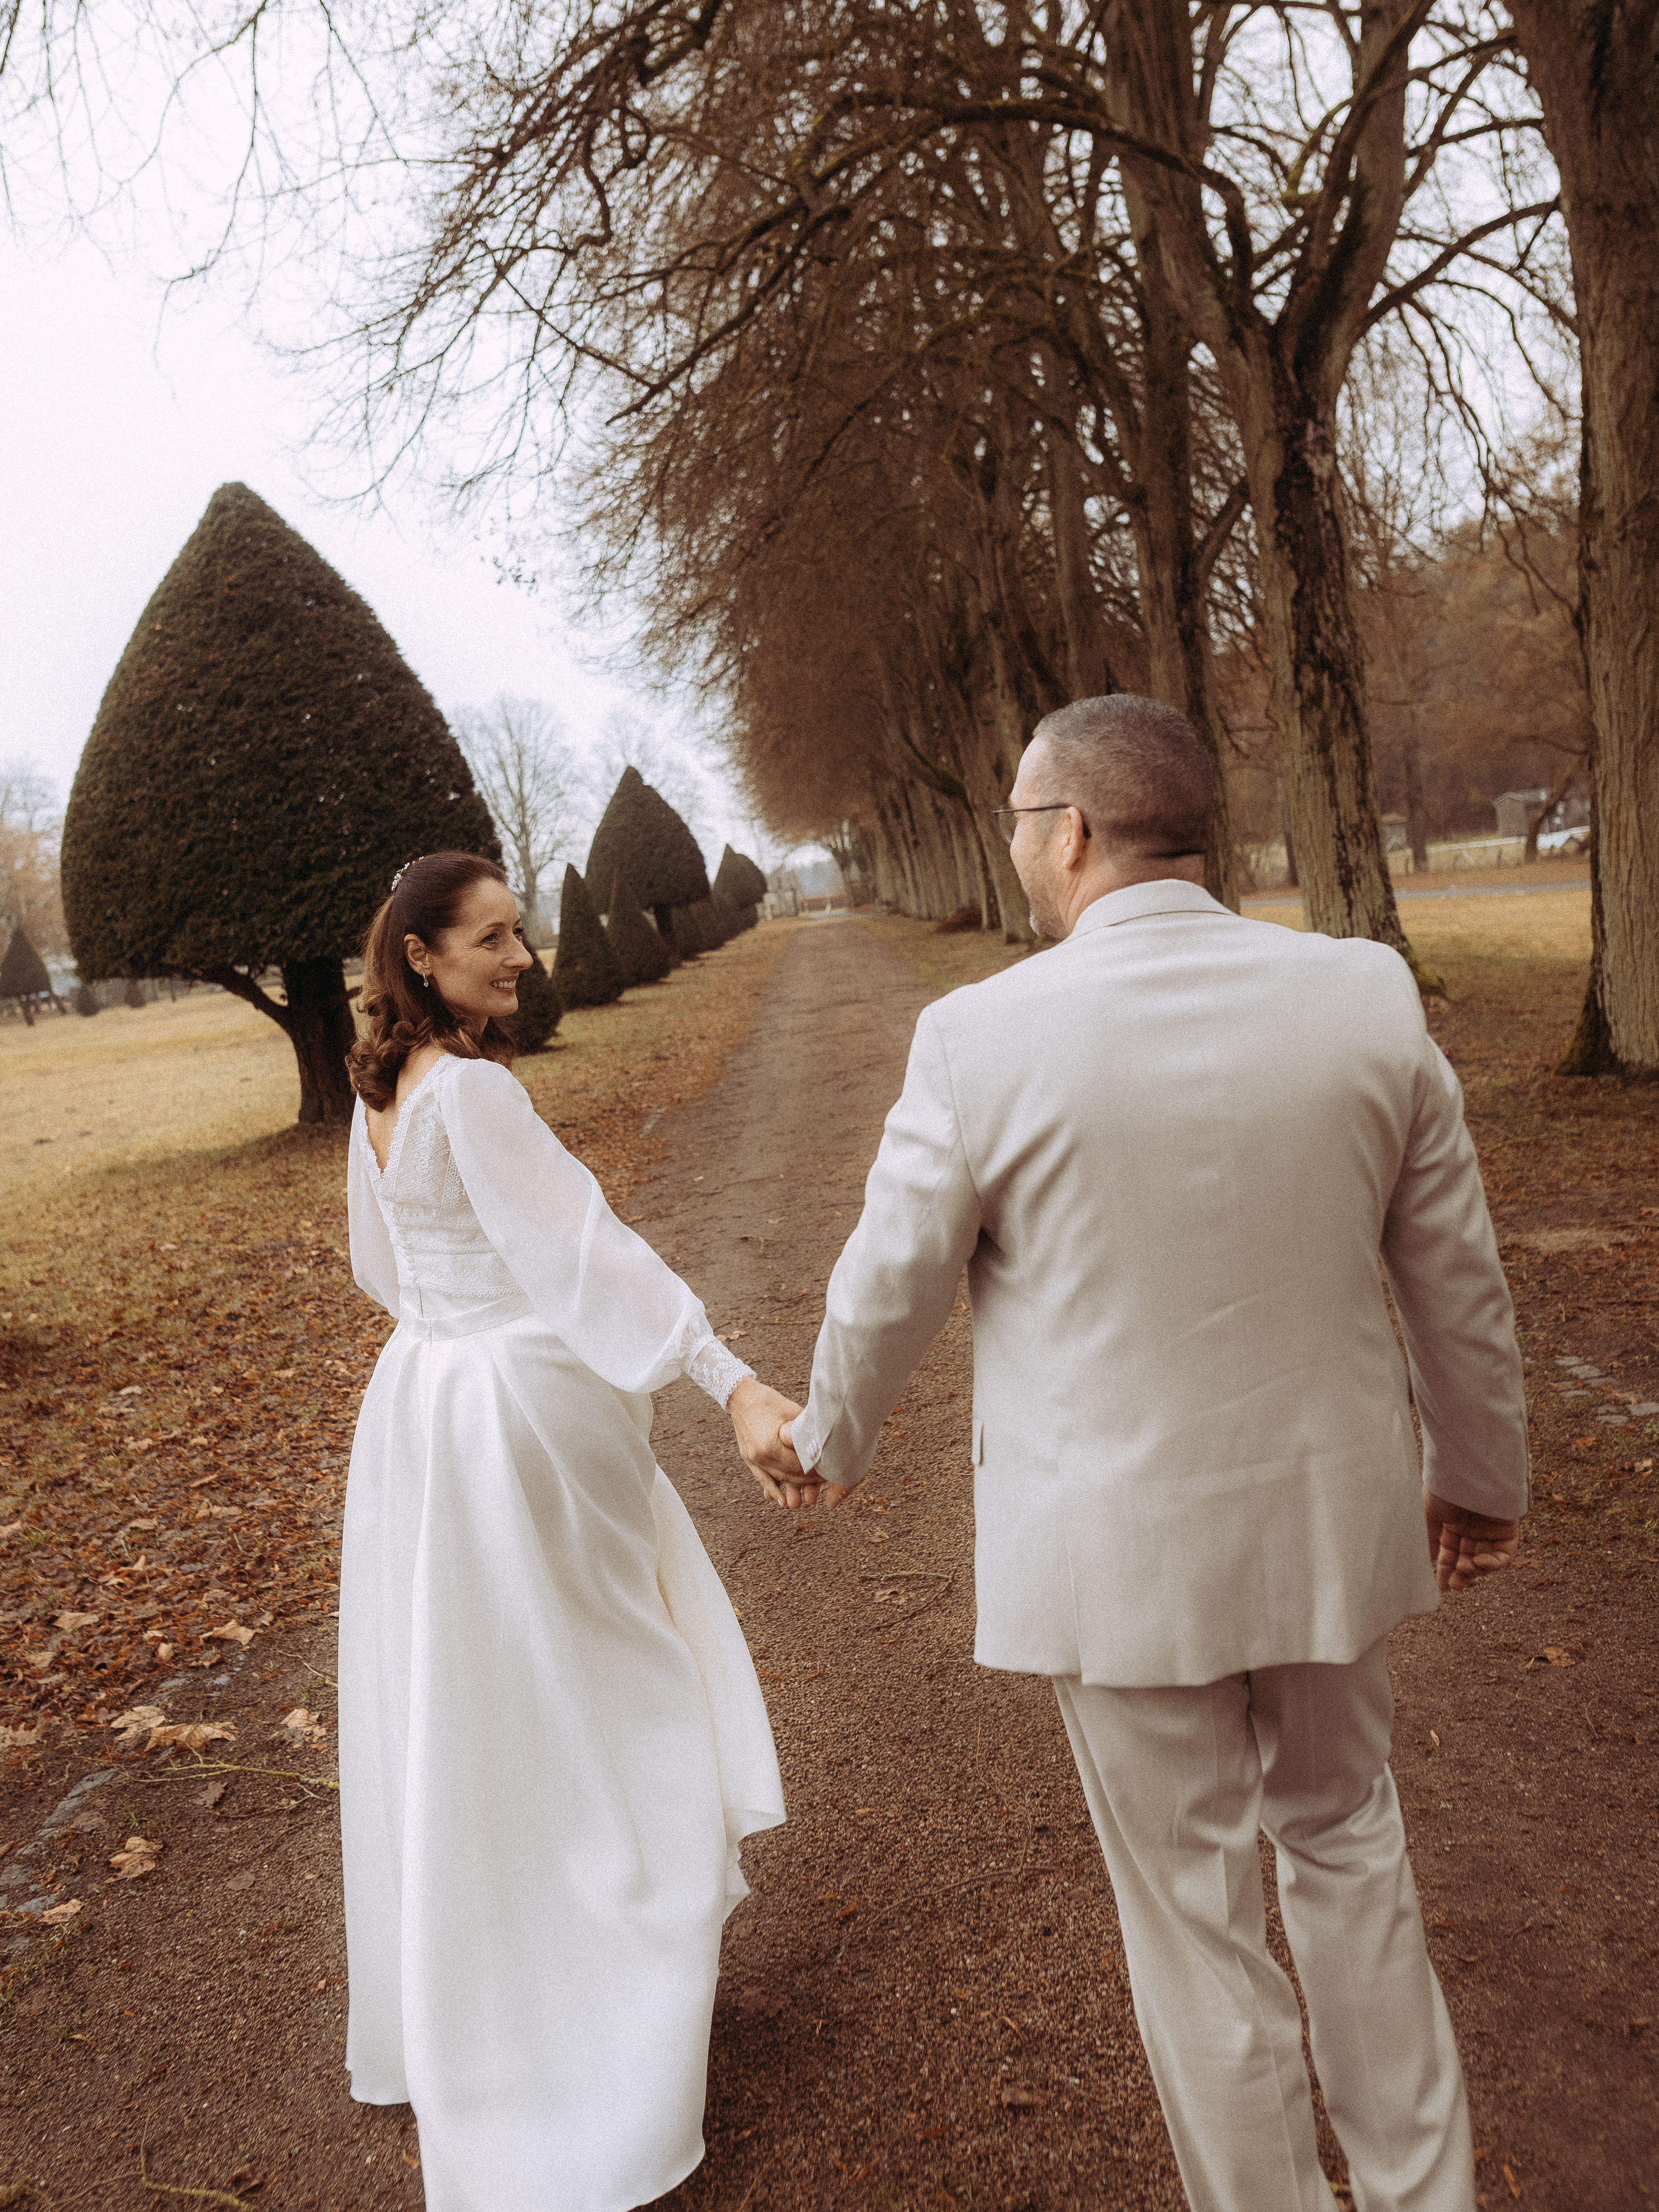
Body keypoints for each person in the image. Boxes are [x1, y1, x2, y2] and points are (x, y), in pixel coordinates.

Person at [741, 698, 1529, 2212]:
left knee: (1191, 1918)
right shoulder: (1362, 995)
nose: (1021, 854)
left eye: (1022, 827)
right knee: (1351, 1851)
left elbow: (888, 1277)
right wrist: (1481, 1474)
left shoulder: (980, 1036)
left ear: (1075, 831)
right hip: (1326, 1533)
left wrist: (826, 1437)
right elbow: (1457, 1275)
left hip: (1116, 1564)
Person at [339, 850, 802, 2212]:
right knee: (613, 1689)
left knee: (482, 1710)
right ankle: (623, 1988)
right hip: (511, 1423)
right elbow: (591, 1251)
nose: (522, 955)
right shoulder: (474, 1093)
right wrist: (729, 1380)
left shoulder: (385, 1094)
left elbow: (386, 1270)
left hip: (423, 1410)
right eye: (490, 938)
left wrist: (457, 1335)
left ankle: (508, 1981)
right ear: (418, 954)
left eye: (520, 932)